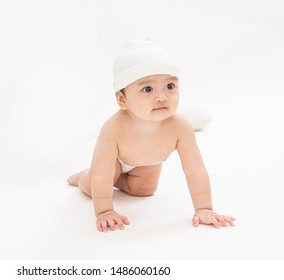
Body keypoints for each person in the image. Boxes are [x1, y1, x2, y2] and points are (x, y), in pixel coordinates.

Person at [67, 38, 235, 232]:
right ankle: (82, 177)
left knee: (144, 190)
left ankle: (121, 179)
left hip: (146, 162)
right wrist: (104, 211)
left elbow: (195, 170)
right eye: (147, 89)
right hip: (114, 161)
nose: (162, 97)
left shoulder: (180, 127)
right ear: (122, 100)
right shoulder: (113, 129)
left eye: (170, 87)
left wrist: (204, 208)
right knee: (98, 182)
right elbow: (102, 174)